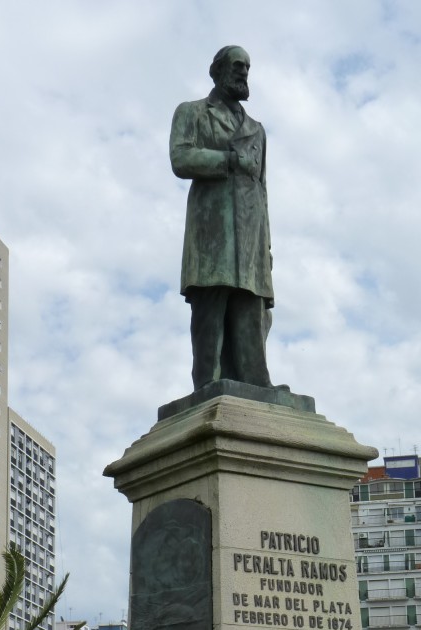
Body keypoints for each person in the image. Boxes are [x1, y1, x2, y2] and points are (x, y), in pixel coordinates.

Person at [170, 45, 277, 391]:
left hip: (250, 239)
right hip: (211, 235)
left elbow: (262, 191)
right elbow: (181, 158)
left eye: (247, 66)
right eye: (236, 64)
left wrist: (267, 248)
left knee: (250, 313)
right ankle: (208, 385)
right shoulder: (193, 112)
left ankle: (257, 384)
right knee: (209, 318)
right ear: (216, 71)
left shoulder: (257, 130)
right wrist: (227, 160)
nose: (243, 71)